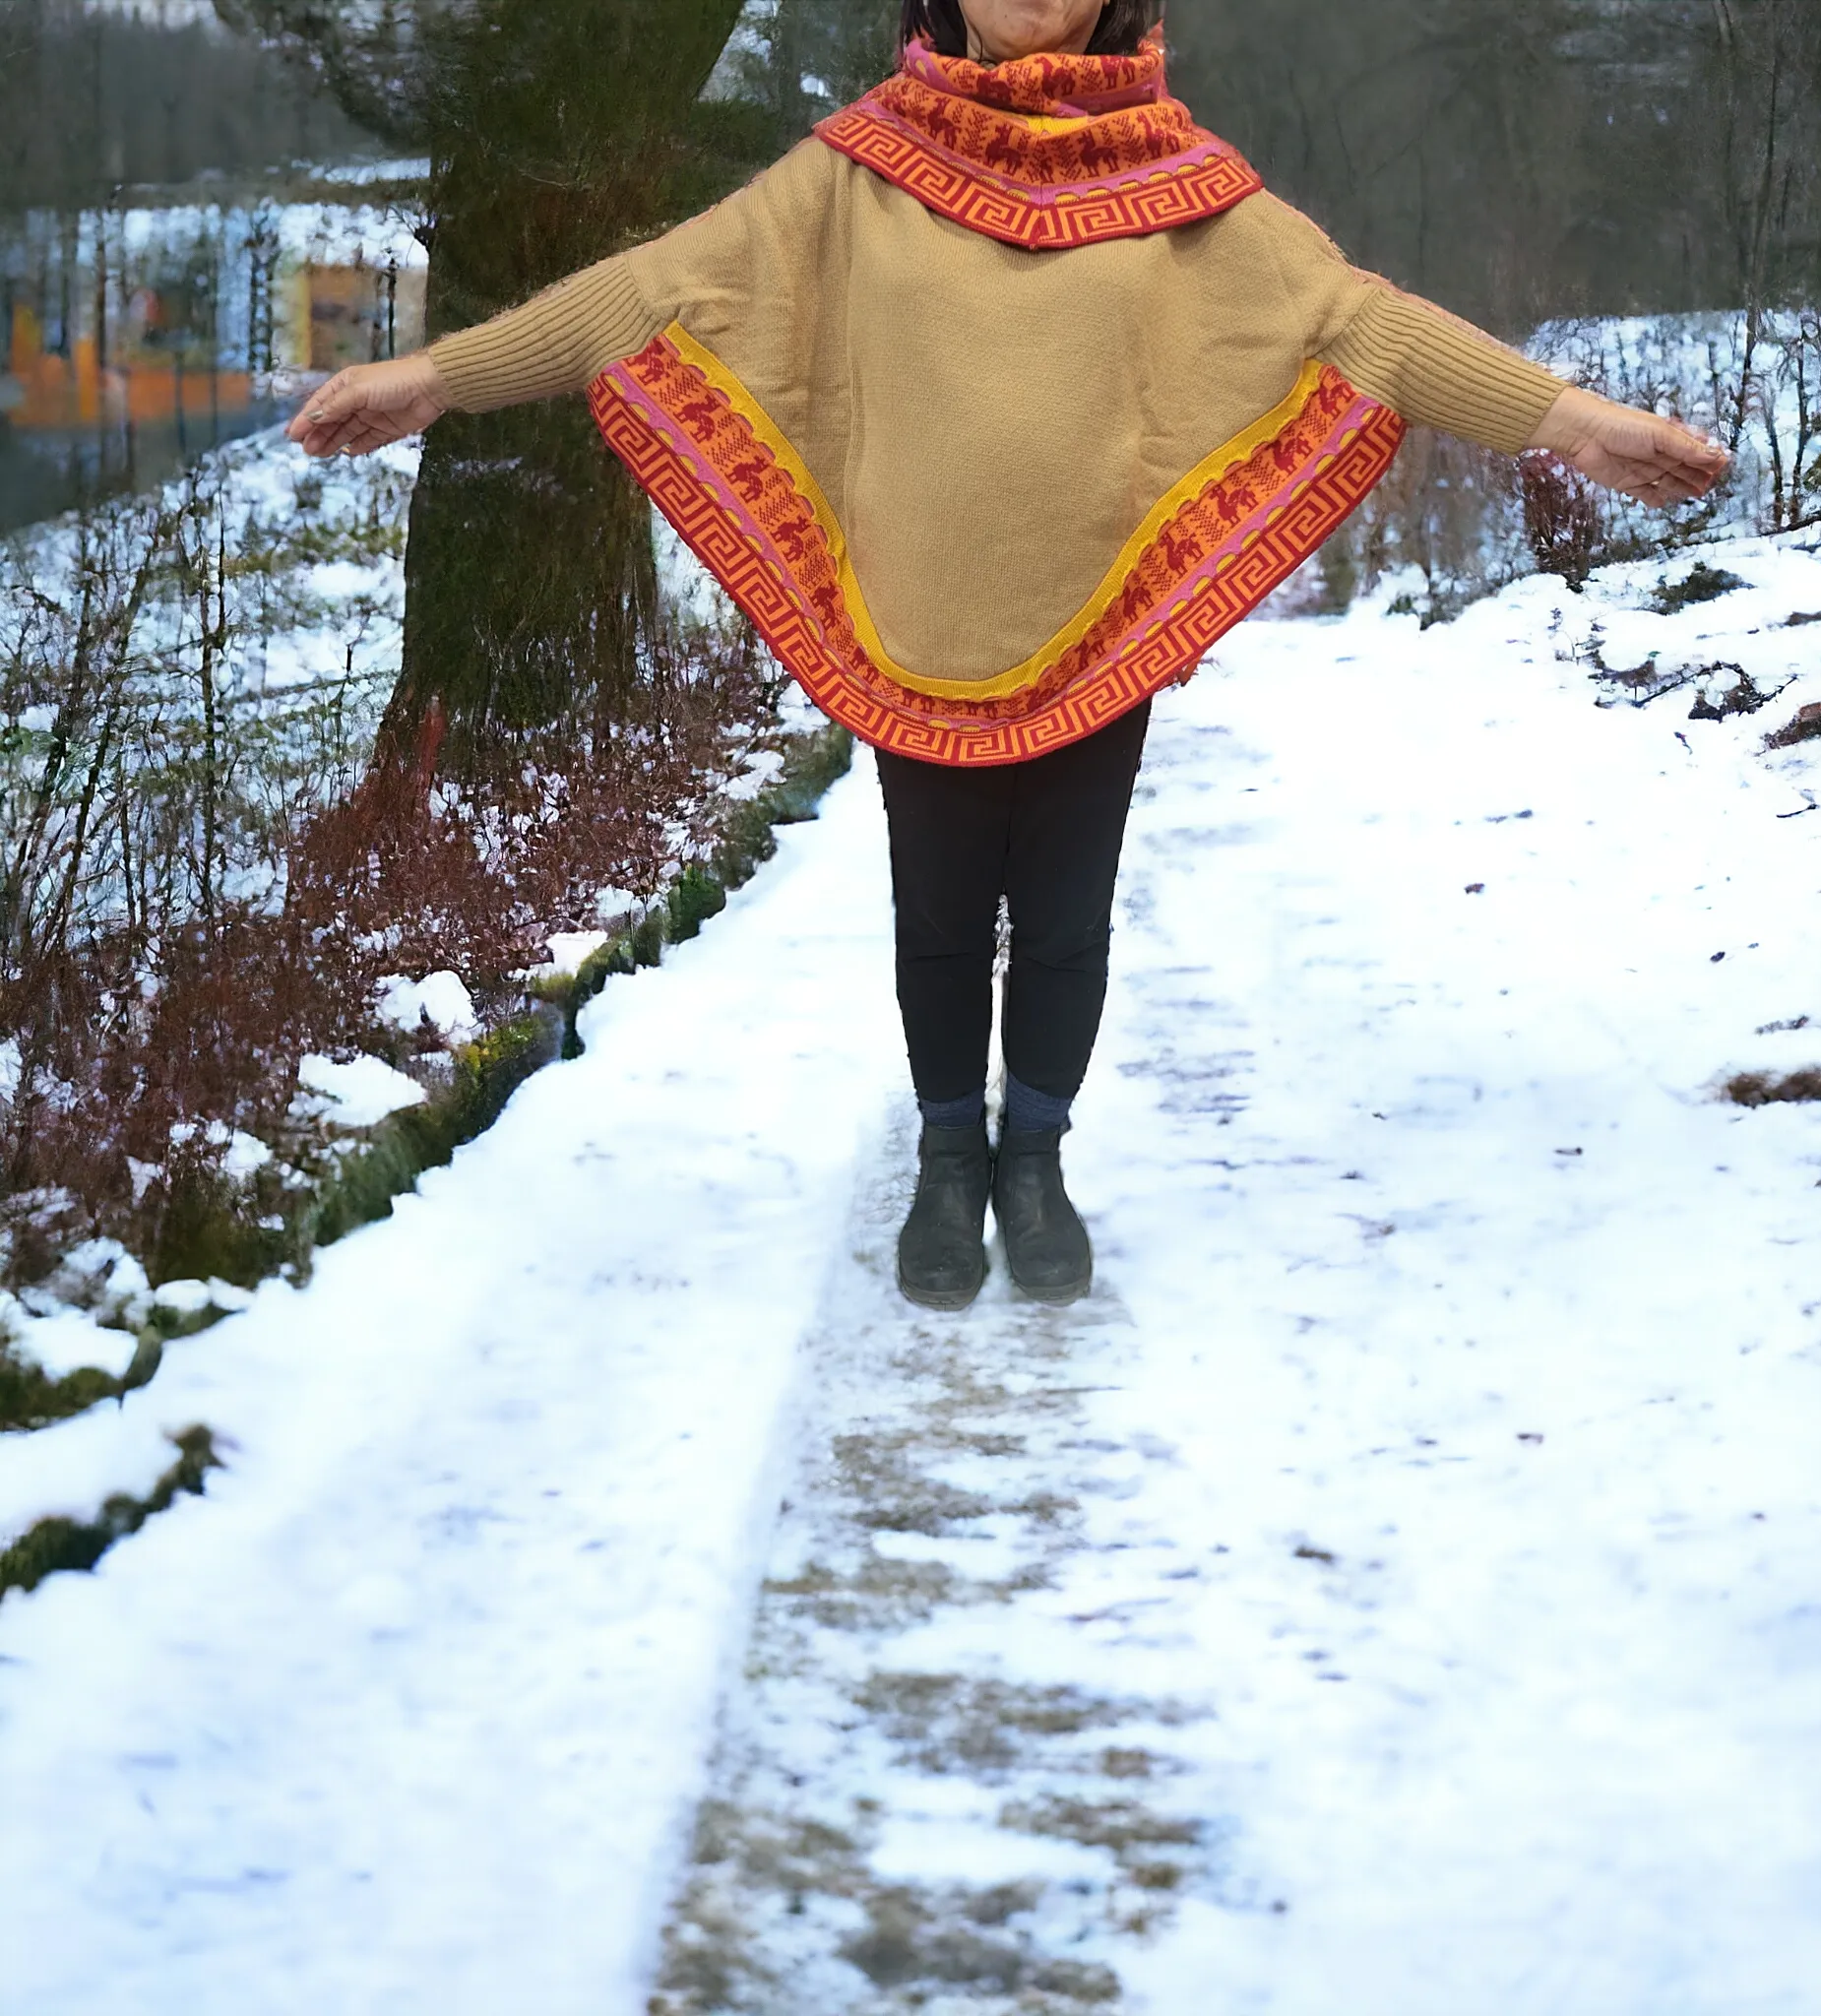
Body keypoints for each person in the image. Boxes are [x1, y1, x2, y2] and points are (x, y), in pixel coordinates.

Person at [289, 0, 1728, 1313]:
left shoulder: (1185, 191)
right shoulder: (853, 174)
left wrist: (1578, 425)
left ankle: (1032, 1164)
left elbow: (1365, 327)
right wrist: (436, 378)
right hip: (915, 631)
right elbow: (650, 294)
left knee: (1063, 920)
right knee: (936, 922)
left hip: (1096, 626)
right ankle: (946, 1161)